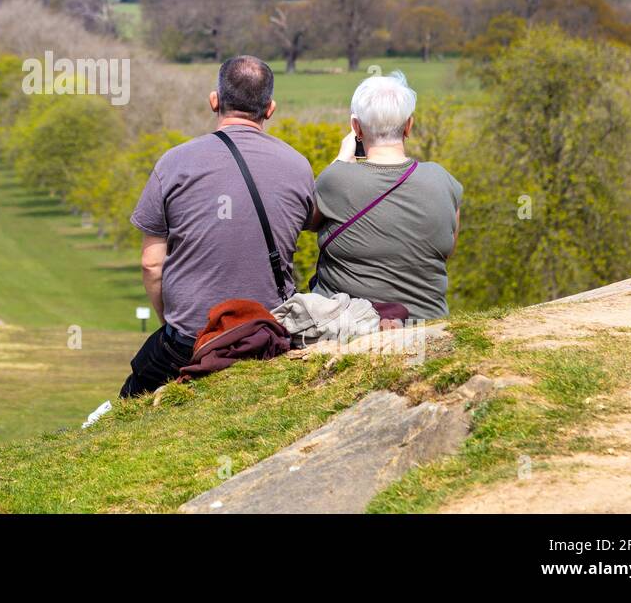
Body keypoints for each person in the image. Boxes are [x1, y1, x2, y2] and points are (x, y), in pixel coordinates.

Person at [121, 55, 316, 398]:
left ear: (215, 100)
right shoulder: (299, 167)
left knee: (128, 404)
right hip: (264, 336)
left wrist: (172, 322)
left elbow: (151, 264)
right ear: (270, 109)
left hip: (190, 341)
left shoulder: (175, 163)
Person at [307, 71, 461, 322]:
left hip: (348, 326)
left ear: (356, 127)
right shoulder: (443, 180)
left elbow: (308, 220)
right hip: (425, 323)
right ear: (409, 125)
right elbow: (447, 248)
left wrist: (341, 159)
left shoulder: (335, 180)